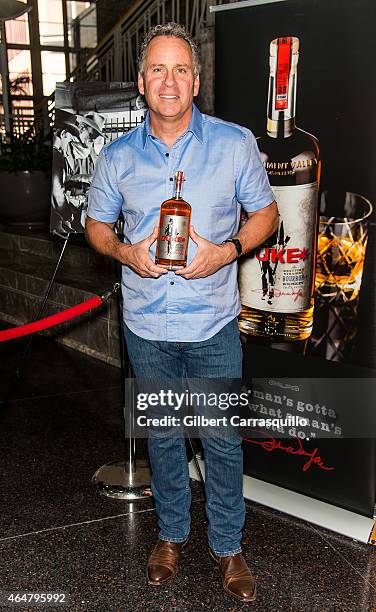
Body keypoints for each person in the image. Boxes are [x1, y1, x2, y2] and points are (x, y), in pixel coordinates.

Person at [85, 22, 278, 603]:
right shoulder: (117, 156)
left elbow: (266, 214)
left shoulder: (235, 144)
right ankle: (171, 536)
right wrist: (124, 251)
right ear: (142, 83)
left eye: (181, 70)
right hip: (146, 325)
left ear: (196, 81)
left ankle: (228, 545)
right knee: (164, 436)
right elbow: (95, 226)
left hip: (213, 321)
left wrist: (228, 250)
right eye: (158, 70)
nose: (169, 81)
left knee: (220, 439)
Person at [52, 111, 105, 233]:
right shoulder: (62, 151)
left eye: (97, 136)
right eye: (92, 134)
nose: (94, 140)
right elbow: (58, 187)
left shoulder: (93, 155)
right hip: (64, 209)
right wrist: (80, 178)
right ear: (81, 128)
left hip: (77, 210)